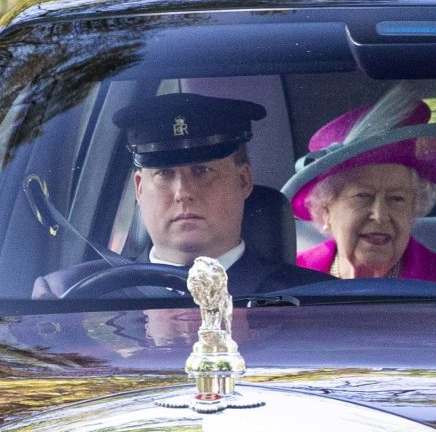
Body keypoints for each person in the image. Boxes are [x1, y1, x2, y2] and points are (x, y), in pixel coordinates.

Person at [33, 93, 332, 298]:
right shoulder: (68, 294)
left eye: (201, 171)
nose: (183, 192)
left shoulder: (316, 300)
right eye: (164, 174)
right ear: (139, 188)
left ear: (243, 180)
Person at [282, 85, 436, 290]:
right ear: (326, 209)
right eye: (363, 196)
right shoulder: (287, 280)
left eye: (397, 199)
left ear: (413, 209)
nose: (380, 216)